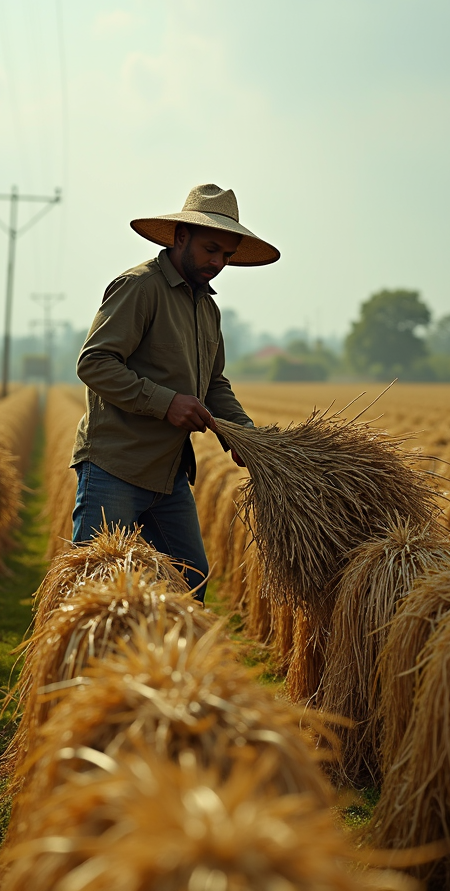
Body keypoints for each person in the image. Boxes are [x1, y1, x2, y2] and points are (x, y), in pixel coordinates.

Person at [70, 183, 280, 600]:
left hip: (169, 475)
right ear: (181, 237)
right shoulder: (139, 287)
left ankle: (170, 664)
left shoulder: (208, 308)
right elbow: (94, 363)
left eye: (226, 255)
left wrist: (243, 435)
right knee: (93, 588)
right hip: (116, 466)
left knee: (190, 579)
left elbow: (215, 383)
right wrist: (167, 404)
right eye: (211, 249)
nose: (218, 262)